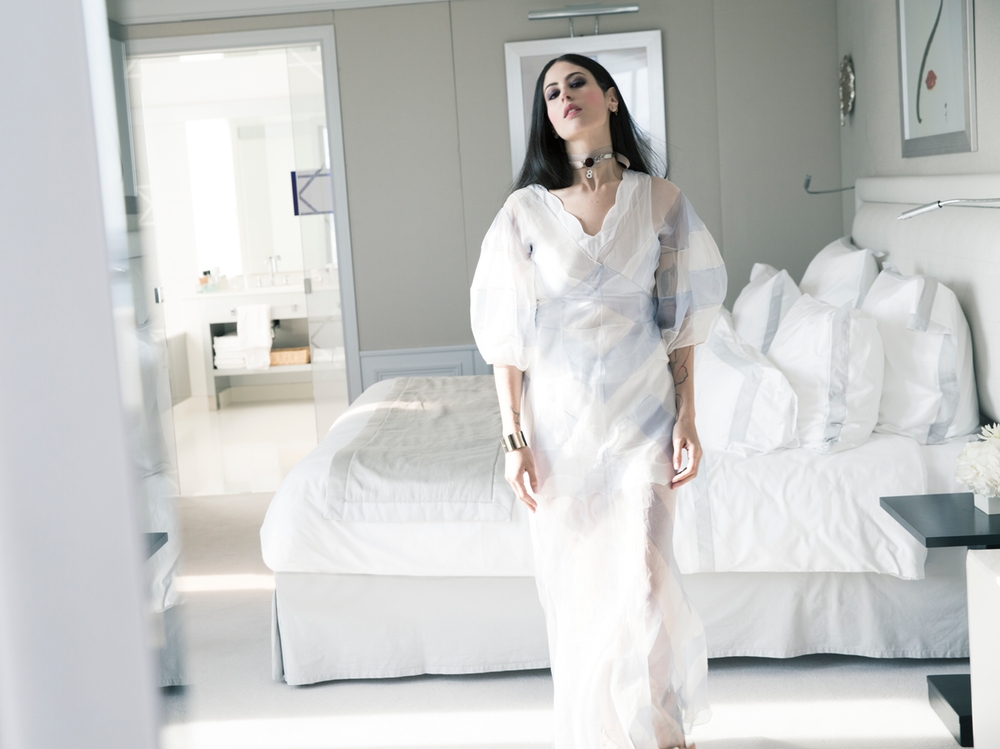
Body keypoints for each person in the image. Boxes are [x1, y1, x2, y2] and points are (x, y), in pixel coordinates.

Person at [470, 53, 726, 749]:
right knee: (584, 595)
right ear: (548, 117)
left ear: (611, 97)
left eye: (577, 82)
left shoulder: (662, 200)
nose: (564, 96)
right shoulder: (523, 212)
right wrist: (514, 440)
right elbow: (505, 341)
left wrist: (688, 419)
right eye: (551, 91)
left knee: (646, 583)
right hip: (562, 429)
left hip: (644, 419)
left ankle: (665, 735)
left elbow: (680, 325)